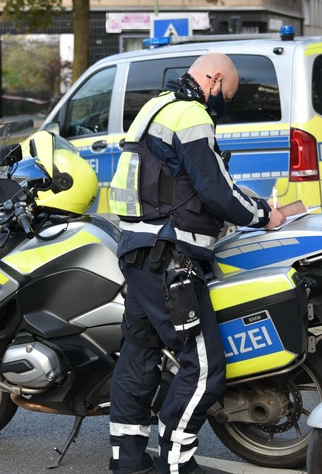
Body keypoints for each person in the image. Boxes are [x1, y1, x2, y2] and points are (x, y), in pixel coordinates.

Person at [108, 53, 285, 474]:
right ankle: (177, 463)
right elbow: (215, 189)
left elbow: (178, 182)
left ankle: (128, 464)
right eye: (226, 93)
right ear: (214, 77)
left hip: (139, 254)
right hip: (171, 261)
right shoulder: (191, 115)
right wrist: (265, 215)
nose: (224, 102)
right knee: (205, 367)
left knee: (138, 358)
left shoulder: (155, 107)